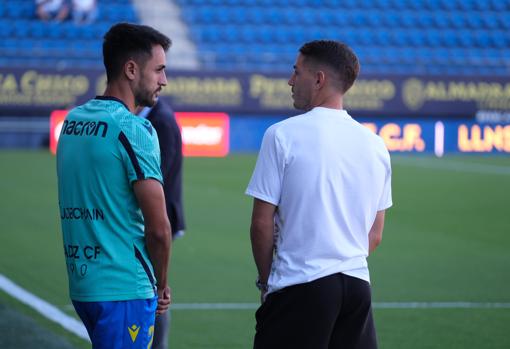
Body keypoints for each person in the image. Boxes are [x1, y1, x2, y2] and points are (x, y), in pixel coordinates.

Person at [245, 40, 392, 349]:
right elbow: (375, 234)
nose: (290, 81)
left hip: (300, 287)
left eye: (296, 72)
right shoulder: (376, 146)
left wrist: (265, 280)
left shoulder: (282, 135)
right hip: (357, 290)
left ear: (319, 79)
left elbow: (261, 224)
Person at [56, 23, 173, 349]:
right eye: (159, 70)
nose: (164, 80)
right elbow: (159, 229)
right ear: (131, 69)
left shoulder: (73, 122)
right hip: (125, 287)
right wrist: (161, 284)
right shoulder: (135, 130)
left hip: (84, 284)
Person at [138, 98, 186, 349]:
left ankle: (158, 345)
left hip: (159, 220)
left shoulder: (162, 121)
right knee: (151, 286)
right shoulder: (154, 116)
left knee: (155, 289)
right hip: (155, 219)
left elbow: (158, 177)